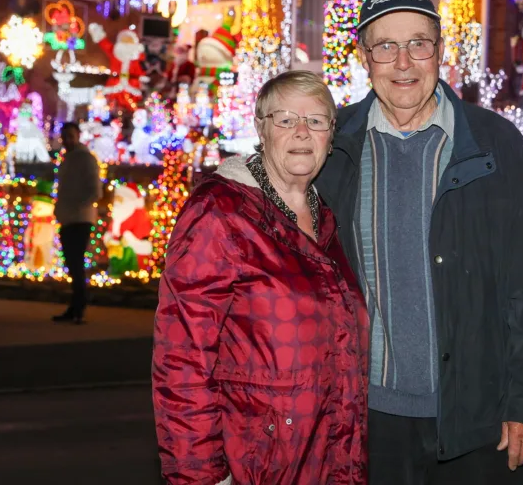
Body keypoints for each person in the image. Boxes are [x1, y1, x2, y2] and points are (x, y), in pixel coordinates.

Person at [315, 0, 523, 484]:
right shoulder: (334, 146)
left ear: (440, 49)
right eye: (385, 46)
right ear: (364, 58)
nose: (404, 62)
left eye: (419, 43)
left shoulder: (494, 143)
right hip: (366, 420)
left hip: (480, 416)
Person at [153, 71, 369, 485]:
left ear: (331, 135)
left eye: (317, 120)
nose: (302, 132)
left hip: (333, 460)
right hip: (255, 466)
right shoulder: (220, 211)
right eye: (286, 119)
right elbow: (181, 360)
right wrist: (201, 476)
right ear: (260, 128)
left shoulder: (327, 218)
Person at [52, 122, 102, 325]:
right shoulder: (67, 160)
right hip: (69, 217)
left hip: (80, 218)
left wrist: (76, 204)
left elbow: (94, 190)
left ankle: (79, 306)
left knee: (76, 263)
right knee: (72, 264)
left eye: (71, 136)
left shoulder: (85, 159)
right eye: (65, 136)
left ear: (78, 136)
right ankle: (75, 305)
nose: (67, 140)